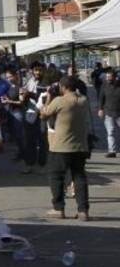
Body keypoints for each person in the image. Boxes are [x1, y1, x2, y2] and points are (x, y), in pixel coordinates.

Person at [40, 76, 92, 221]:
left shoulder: (59, 101)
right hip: (80, 146)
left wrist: (49, 96)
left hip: (61, 146)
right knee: (79, 177)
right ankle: (83, 210)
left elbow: (43, 115)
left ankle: (58, 208)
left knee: (56, 177)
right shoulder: (83, 100)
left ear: (63, 87)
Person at [97, 68, 120, 158]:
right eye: (107, 77)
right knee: (110, 132)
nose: (108, 78)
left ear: (114, 77)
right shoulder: (104, 85)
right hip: (108, 112)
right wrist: (100, 109)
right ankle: (112, 151)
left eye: (109, 77)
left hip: (119, 112)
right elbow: (101, 98)